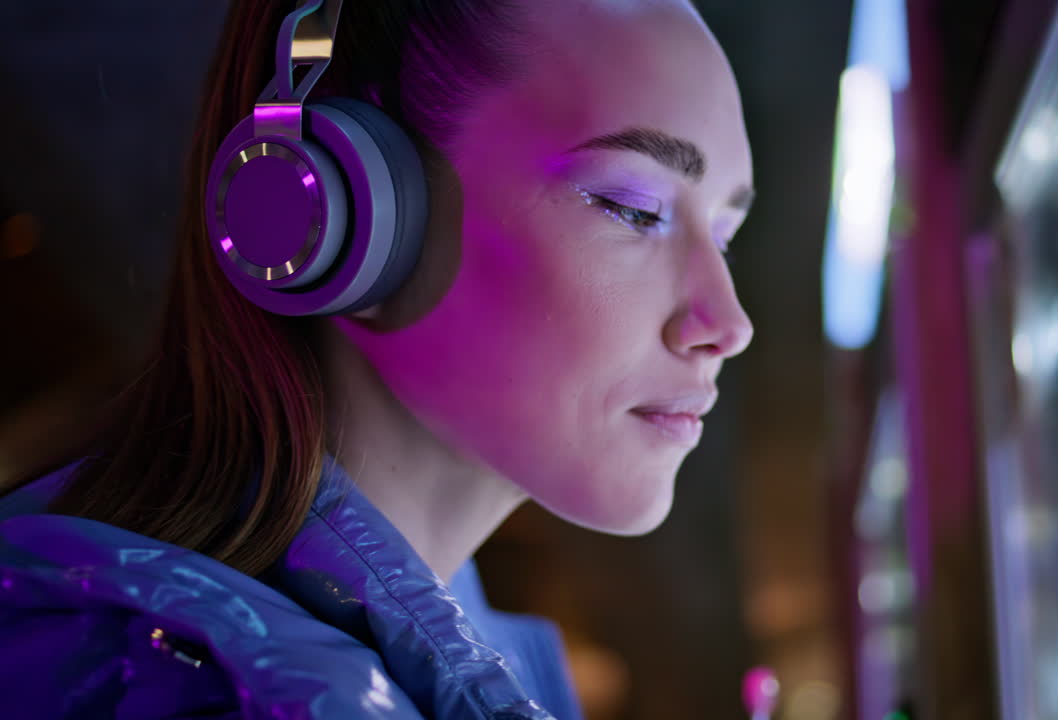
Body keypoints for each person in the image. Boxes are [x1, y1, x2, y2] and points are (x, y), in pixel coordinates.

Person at [0, 0, 752, 717]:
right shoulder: (191, 694)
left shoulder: (447, 668)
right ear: (337, 212)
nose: (728, 324)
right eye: (633, 207)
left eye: (723, 234)